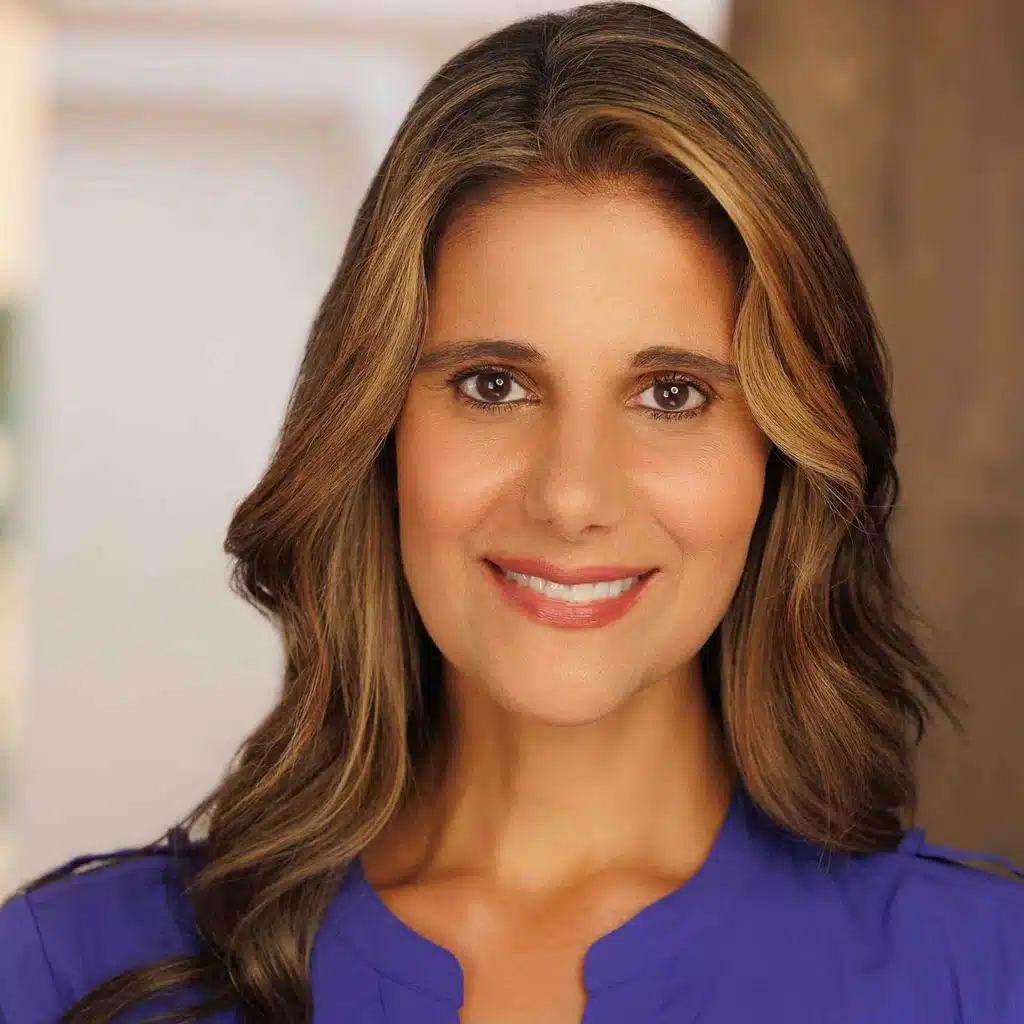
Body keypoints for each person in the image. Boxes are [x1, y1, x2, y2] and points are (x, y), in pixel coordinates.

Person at [2, 2, 1022, 1022]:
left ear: (782, 453)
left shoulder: (984, 974)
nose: (571, 497)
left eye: (671, 394)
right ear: (376, 428)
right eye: (493, 385)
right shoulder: (66, 973)